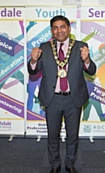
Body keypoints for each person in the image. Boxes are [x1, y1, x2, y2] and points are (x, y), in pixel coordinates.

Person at [27, 15, 96, 173]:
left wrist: (86, 60)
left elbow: (91, 70)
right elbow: (33, 71)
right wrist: (33, 60)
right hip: (53, 99)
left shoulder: (80, 46)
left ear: (69, 28)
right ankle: (55, 165)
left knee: (73, 135)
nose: (59, 31)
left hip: (74, 98)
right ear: (52, 31)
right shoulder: (44, 47)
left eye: (62, 27)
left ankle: (70, 164)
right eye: (55, 28)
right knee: (53, 135)